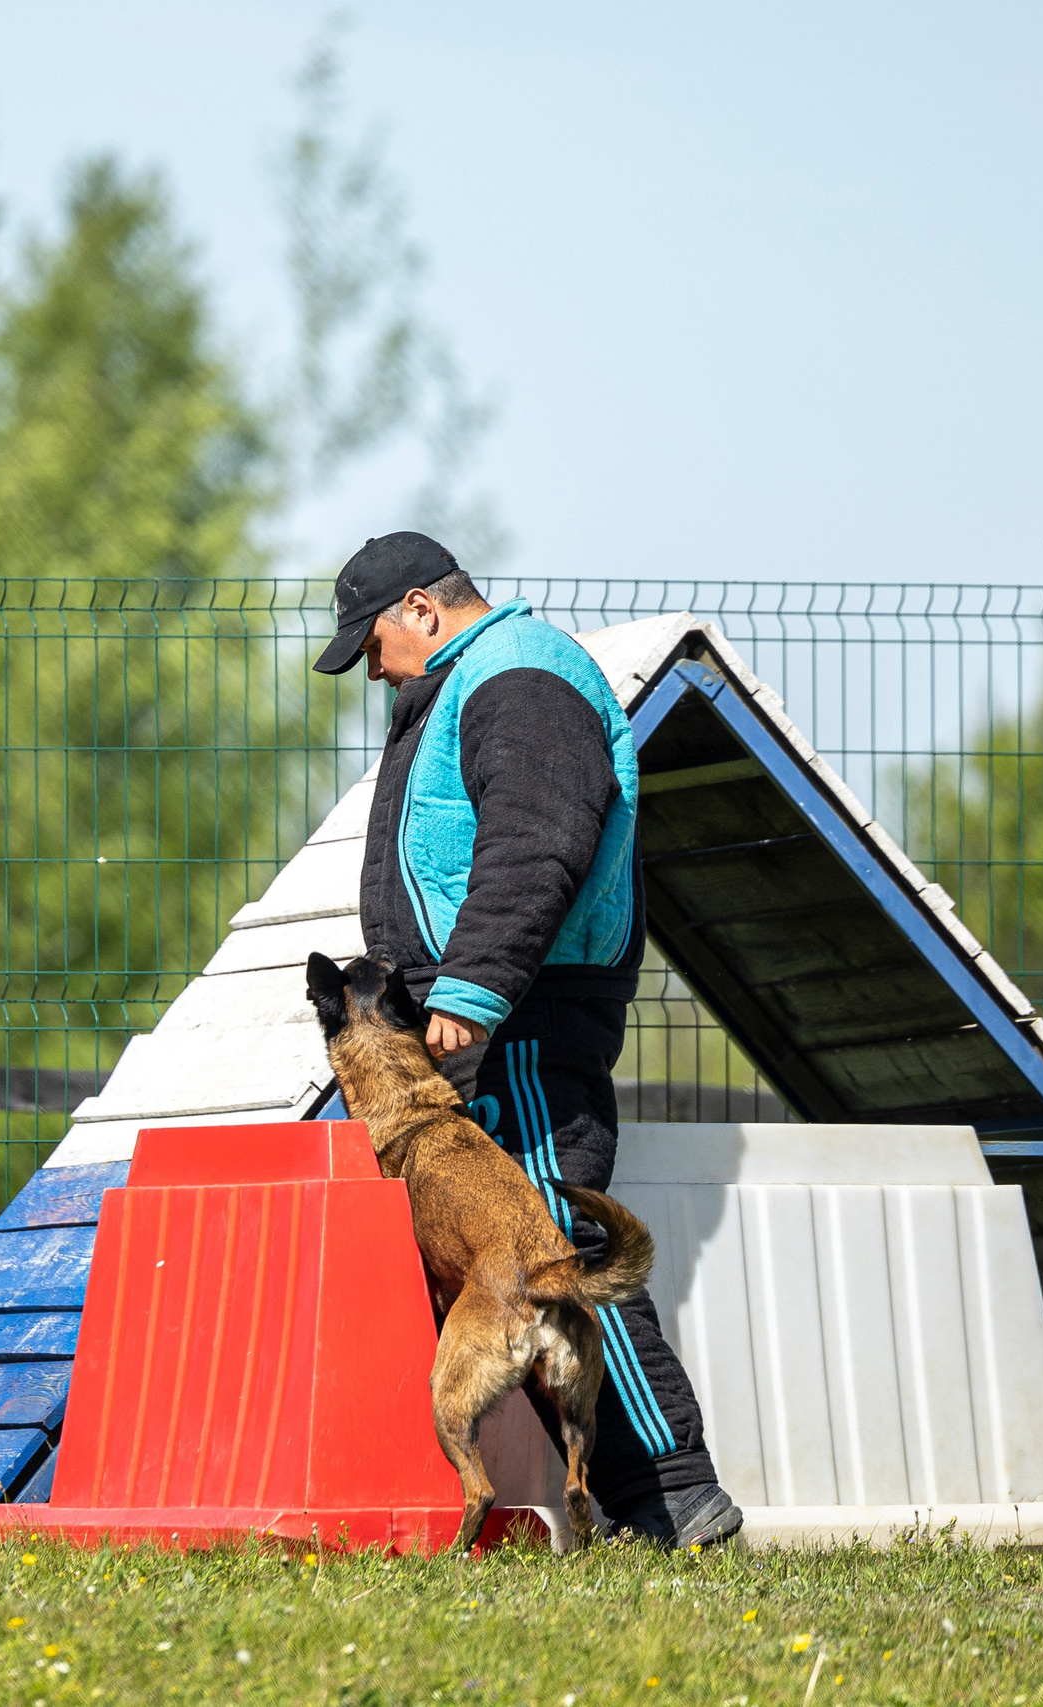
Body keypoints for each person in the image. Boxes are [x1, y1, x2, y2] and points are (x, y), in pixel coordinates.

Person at [313, 530, 744, 1550]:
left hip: (529, 1004)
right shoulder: (474, 683)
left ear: (422, 607)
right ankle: (625, 1502)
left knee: (552, 1245)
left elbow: (540, 834)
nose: (371, 670)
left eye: (371, 645)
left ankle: (673, 1496)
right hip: (498, 1003)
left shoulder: (520, 677)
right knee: (531, 1254)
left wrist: (472, 983)